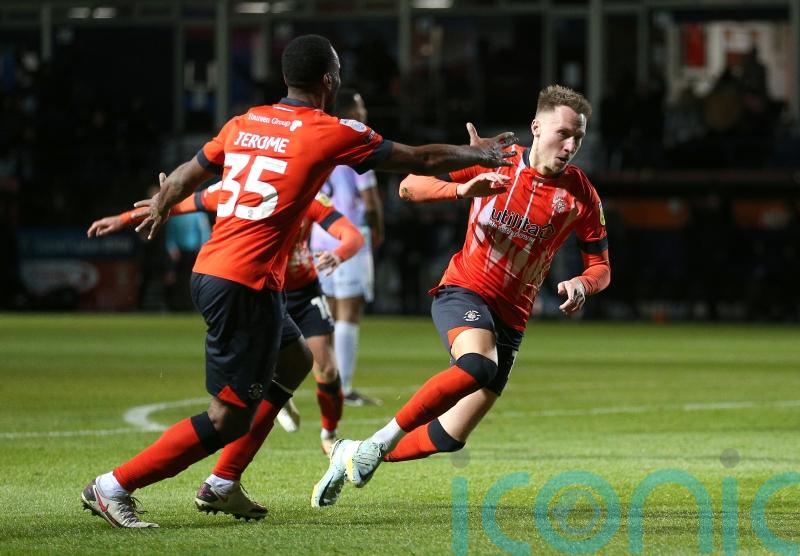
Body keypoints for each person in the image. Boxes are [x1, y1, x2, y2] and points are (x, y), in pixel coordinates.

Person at [80, 33, 518, 528]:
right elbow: (421, 159)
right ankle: (114, 486)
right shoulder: (329, 130)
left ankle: (224, 482)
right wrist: (478, 153)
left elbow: (186, 175)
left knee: (295, 359)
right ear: (329, 80)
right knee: (228, 418)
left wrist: (161, 204)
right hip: (242, 283)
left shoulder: (245, 122)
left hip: (227, 273)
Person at [312, 84, 611, 508]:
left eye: (578, 137)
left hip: (512, 318)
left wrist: (584, 283)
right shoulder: (495, 160)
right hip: (464, 290)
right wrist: (460, 190)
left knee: (450, 436)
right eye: (563, 133)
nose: (570, 145)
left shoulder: (581, 194)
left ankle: (353, 453)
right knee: (478, 365)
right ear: (536, 127)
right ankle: (379, 442)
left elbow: (601, 267)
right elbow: (408, 187)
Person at [88, 185, 361, 459]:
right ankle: (270, 403)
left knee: (325, 367)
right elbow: (177, 203)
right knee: (262, 374)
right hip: (262, 289)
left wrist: (339, 254)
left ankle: (329, 434)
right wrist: (123, 219)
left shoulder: (308, 194)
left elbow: (351, 234)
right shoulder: (241, 187)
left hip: (302, 291)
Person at [310, 88, 383, 406]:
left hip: (318, 239)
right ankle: (344, 387)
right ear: (348, 113)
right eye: (360, 107)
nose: (364, 113)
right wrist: (377, 229)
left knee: (326, 314)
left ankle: (326, 382)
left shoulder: (319, 145)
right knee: (348, 313)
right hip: (350, 240)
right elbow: (370, 200)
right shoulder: (357, 147)